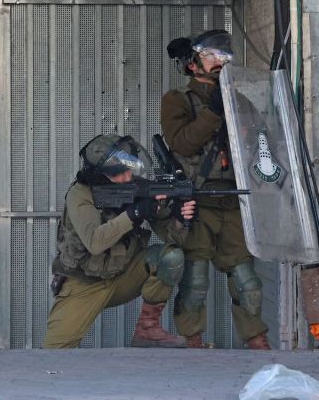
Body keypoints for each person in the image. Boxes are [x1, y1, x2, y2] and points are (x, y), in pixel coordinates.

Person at [162, 30, 270, 349]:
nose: (220, 62)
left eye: (224, 57)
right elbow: (182, 142)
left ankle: (258, 342)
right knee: (195, 279)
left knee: (246, 280)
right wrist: (213, 111)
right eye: (211, 56)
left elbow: (261, 141)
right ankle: (193, 343)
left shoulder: (239, 100)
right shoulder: (177, 100)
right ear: (193, 64)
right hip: (198, 199)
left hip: (235, 199)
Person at [44, 134, 197, 349]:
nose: (128, 176)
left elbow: (174, 238)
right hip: (84, 284)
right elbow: (94, 242)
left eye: (129, 169)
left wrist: (181, 219)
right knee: (54, 351)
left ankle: (147, 328)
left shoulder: (138, 188)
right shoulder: (80, 194)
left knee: (170, 256)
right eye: (118, 174)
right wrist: (134, 213)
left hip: (123, 276)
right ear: (100, 175)